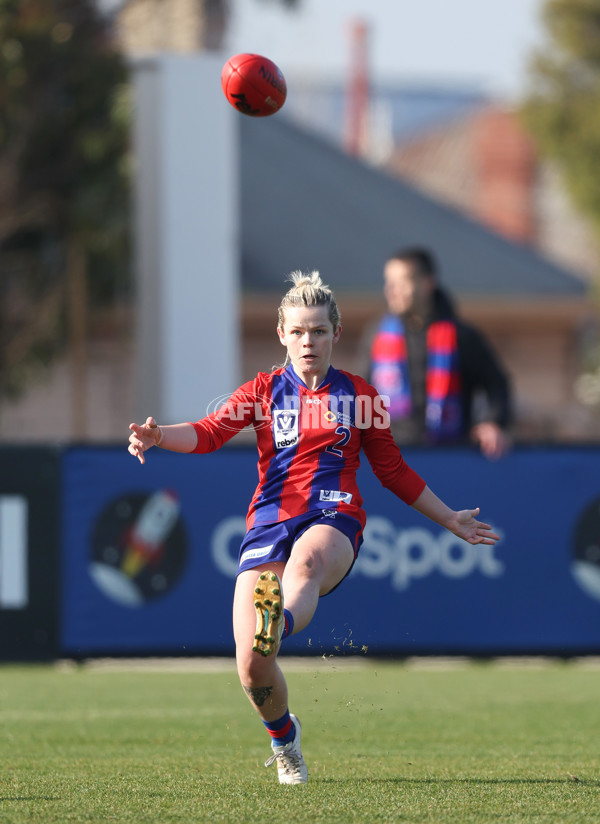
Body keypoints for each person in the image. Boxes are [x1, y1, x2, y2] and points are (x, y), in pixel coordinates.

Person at [128, 271, 500, 785]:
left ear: (336, 335)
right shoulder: (262, 391)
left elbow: (392, 471)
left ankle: (275, 621)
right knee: (252, 668)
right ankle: (285, 740)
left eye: (319, 331)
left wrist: (449, 517)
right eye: (299, 331)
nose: (309, 342)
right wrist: (158, 435)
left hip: (335, 514)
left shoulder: (361, 397)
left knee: (304, 565)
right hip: (268, 522)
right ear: (282, 334)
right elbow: (211, 432)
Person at [358, 247, 512, 458]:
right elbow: (359, 395)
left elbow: (496, 384)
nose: (391, 290)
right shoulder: (376, 334)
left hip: (450, 457)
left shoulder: (461, 335)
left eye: (402, 282)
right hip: (392, 460)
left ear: (427, 283)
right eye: (389, 282)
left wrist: (492, 423)